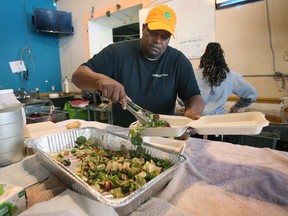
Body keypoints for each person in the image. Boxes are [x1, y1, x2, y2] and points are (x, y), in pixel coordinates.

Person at [72, 5, 204, 127]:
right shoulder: (117, 52)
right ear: (143, 28)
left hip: (163, 137)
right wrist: (101, 80)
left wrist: (192, 113)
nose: (158, 40)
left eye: (164, 37)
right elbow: (78, 77)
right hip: (124, 136)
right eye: (153, 33)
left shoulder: (178, 61)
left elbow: (194, 97)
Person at [193, 42, 257, 116]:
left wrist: (190, 107)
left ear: (204, 53)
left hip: (195, 119)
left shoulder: (192, 74)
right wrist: (236, 107)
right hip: (218, 121)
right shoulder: (231, 76)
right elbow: (252, 95)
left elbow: (181, 99)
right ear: (221, 55)